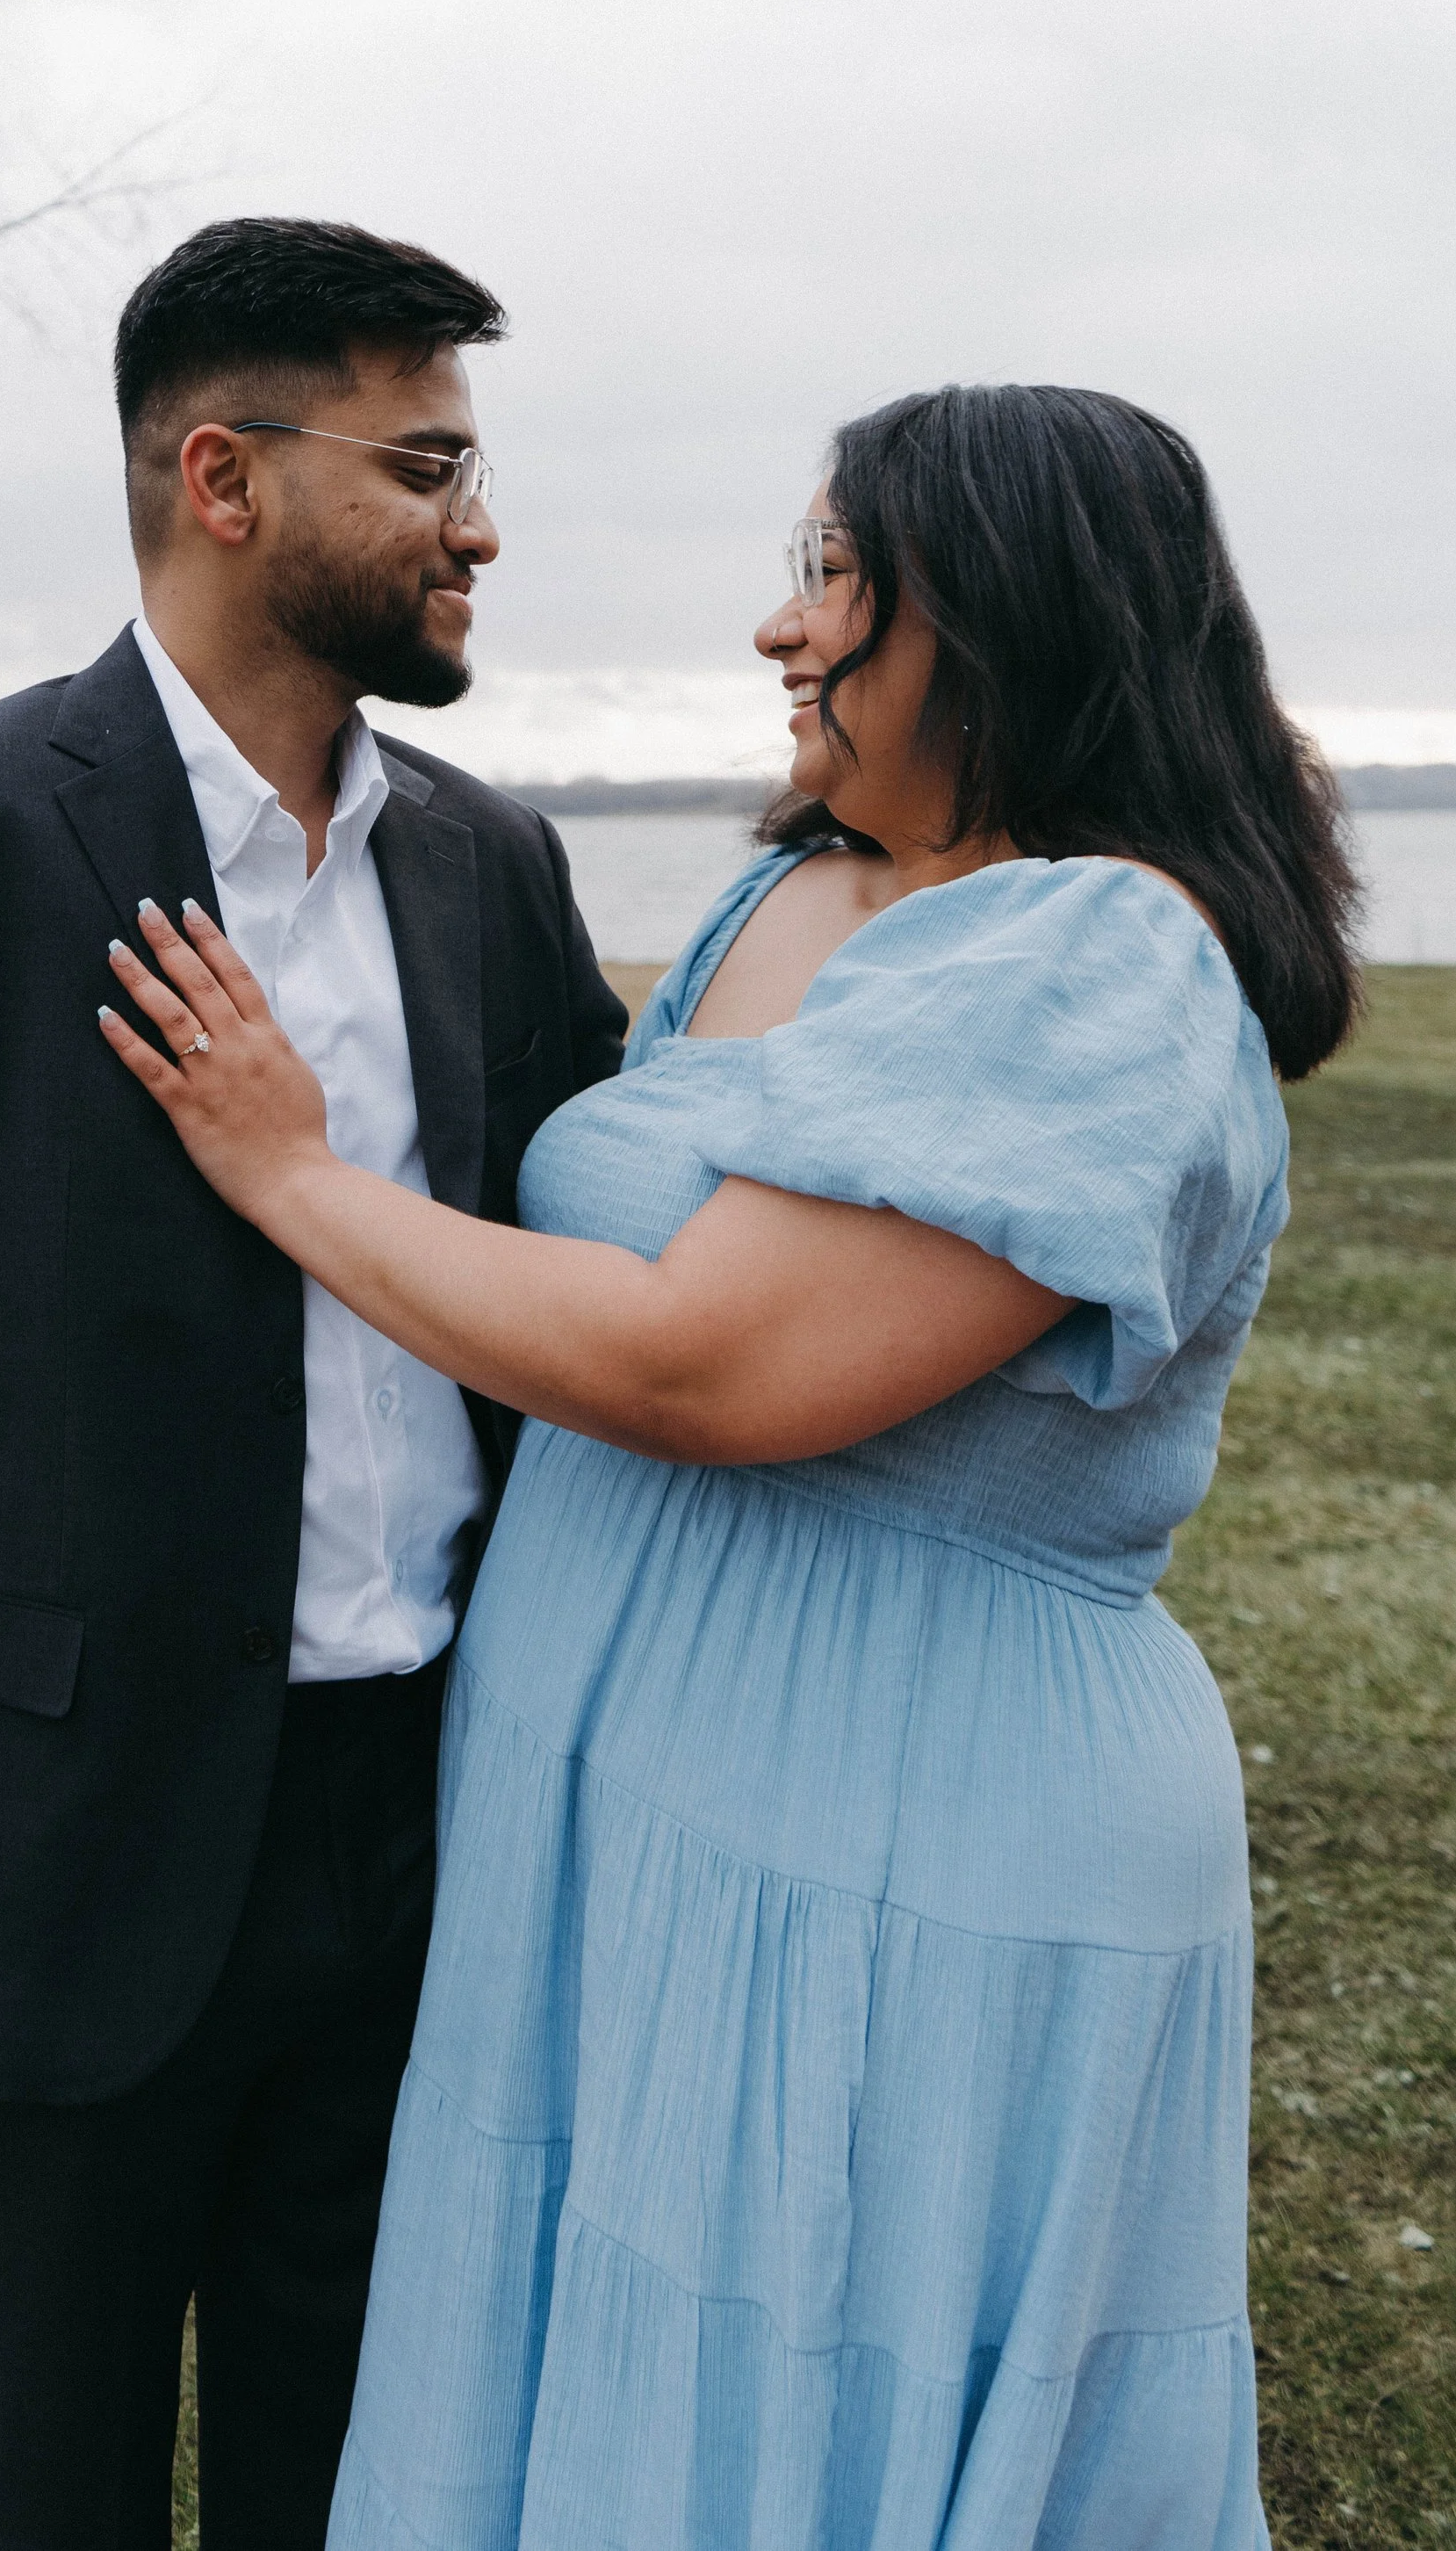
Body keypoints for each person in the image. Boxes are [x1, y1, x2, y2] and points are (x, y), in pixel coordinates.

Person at [96, 382, 1360, 2551]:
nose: (780, 634)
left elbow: (707, 1365)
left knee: (794, 2420)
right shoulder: (796, 895)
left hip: (892, 1834)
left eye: (830, 581)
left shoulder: (1102, 955)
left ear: (1000, 619)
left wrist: (285, 1171)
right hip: (644, 1830)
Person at [0, 214, 626, 2551]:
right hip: (56, 1850)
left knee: (367, 2476)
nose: (478, 522)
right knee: (37, 2487)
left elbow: (593, 1275)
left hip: (431, 1825)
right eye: (423, 463)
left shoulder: (491, 864)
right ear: (223, 476)